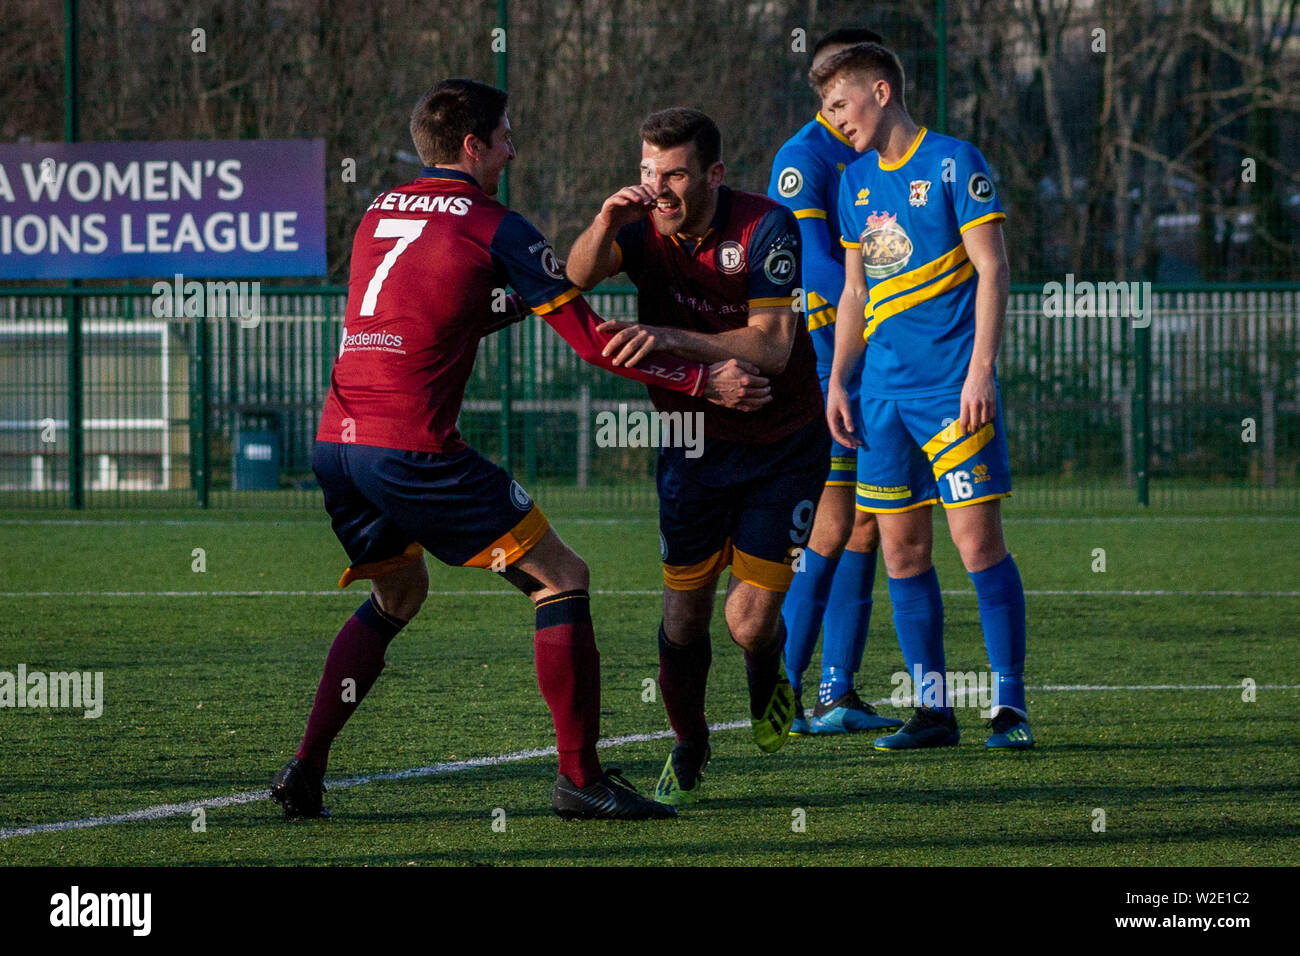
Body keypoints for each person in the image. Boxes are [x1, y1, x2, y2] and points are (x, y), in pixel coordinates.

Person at [271, 79, 771, 823]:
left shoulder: (378, 211)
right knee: (562, 576)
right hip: (413, 452)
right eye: (505, 134)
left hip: (338, 444)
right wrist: (703, 379)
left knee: (398, 596)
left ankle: (305, 770)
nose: (514, 146)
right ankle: (581, 780)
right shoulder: (492, 223)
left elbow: (457, 310)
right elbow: (595, 344)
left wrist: (540, 289)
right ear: (474, 145)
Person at [566, 107, 831, 806]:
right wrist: (603, 220)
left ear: (713, 173)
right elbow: (576, 276)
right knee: (683, 617)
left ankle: (769, 668)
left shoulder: (767, 227)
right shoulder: (639, 225)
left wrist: (668, 336)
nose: (659, 189)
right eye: (648, 171)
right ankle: (690, 744)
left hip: (783, 449)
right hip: (692, 451)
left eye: (675, 173)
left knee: (746, 622)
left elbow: (772, 347)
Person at [817, 43, 1033, 749]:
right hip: (881, 398)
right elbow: (854, 292)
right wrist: (841, 380)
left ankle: (1009, 708)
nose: (835, 119)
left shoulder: (954, 162)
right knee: (902, 552)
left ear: (880, 91)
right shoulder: (851, 184)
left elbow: (994, 271)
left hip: (950, 391)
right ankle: (934, 710)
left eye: (841, 105)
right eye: (826, 111)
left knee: (976, 546)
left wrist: (980, 372)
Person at [767, 27, 903, 736]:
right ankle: (781, 695)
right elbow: (809, 262)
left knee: (865, 528)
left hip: (873, 358)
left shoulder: (874, 155)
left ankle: (837, 691)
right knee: (830, 524)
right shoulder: (804, 158)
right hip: (824, 362)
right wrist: (891, 298)